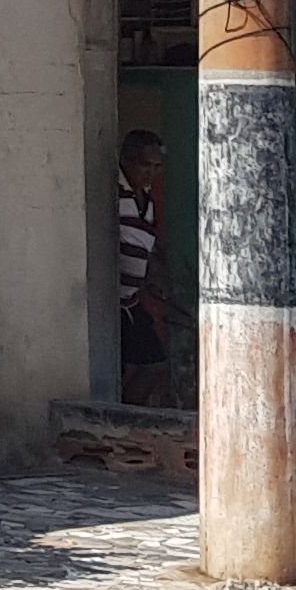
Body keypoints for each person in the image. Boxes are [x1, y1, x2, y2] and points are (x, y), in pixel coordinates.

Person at [117, 128, 175, 406]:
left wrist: (154, 280)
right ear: (127, 160)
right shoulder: (114, 193)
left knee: (154, 365)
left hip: (133, 299)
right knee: (139, 366)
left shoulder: (149, 200)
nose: (150, 173)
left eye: (156, 167)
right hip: (113, 303)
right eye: (144, 165)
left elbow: (149, 247)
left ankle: (125, 410)